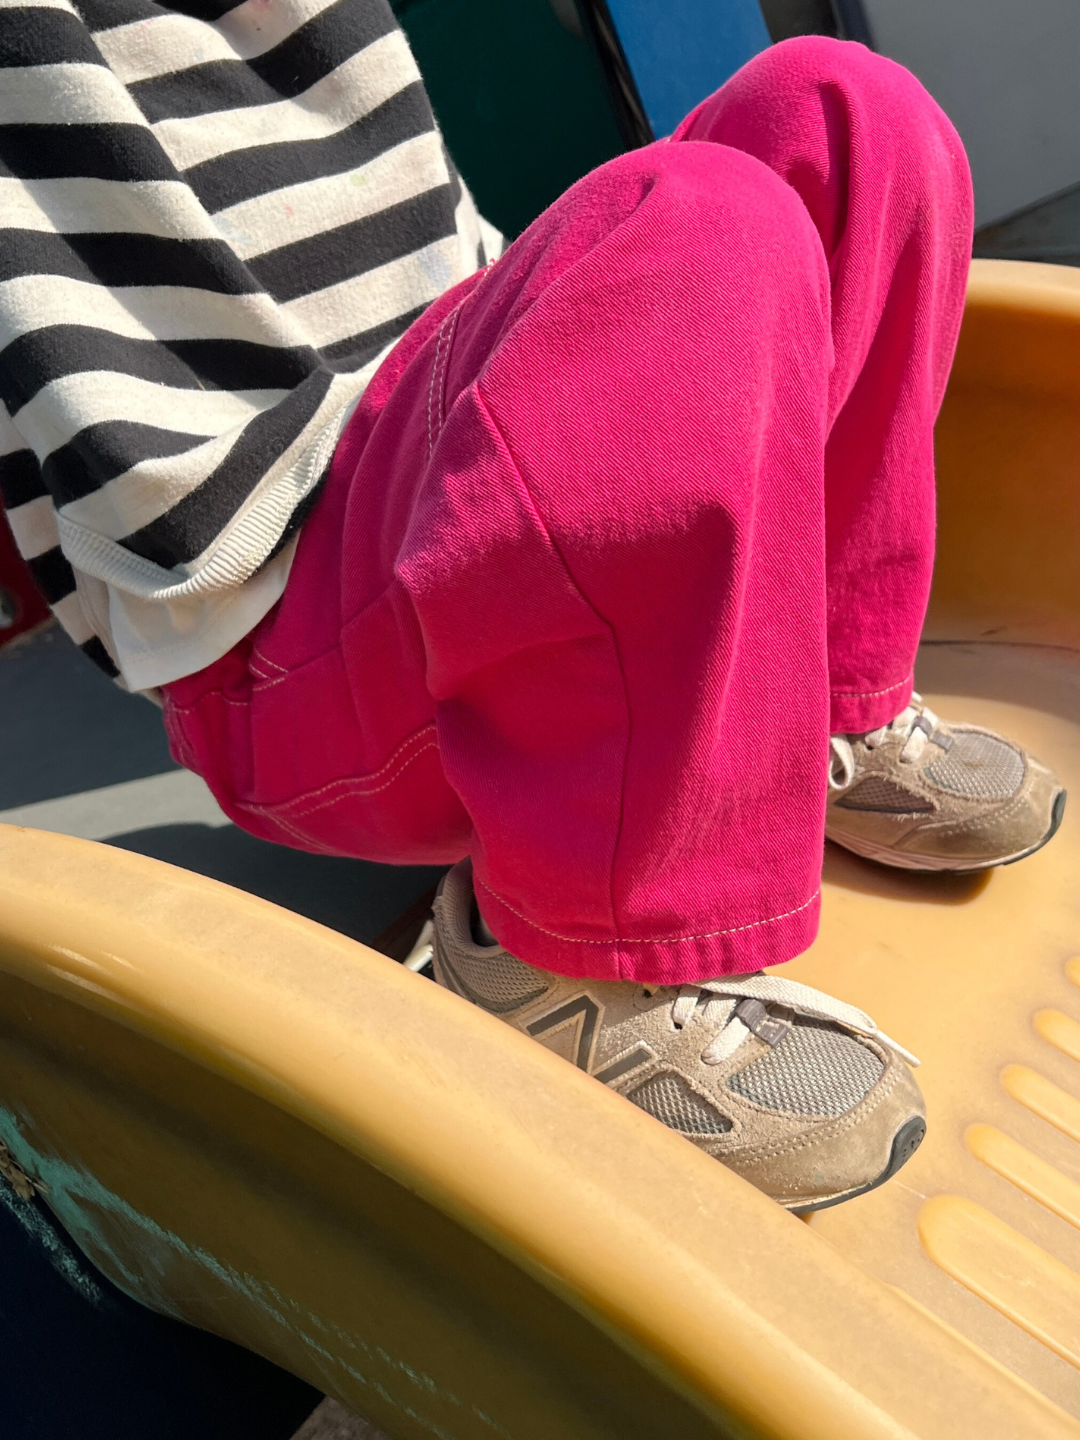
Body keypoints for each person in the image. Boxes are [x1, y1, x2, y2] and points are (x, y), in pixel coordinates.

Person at [0, 1, 1065, 1213]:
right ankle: (562, 956)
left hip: (404, 479)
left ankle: (826, 704)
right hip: (279, 638)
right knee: (694, 230)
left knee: (842, 109)